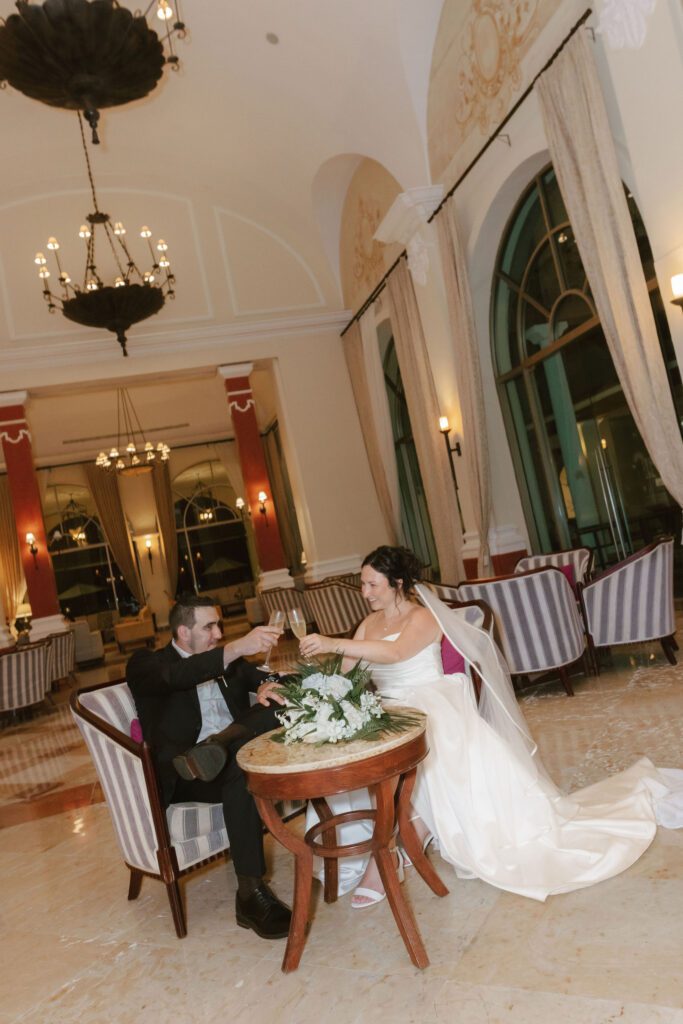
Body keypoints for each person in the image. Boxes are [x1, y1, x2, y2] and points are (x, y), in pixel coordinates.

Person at [299, 546, 683, 907]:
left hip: (429, 702)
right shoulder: (367, 624)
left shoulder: (422, 618)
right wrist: (318, 690)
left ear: (397, 584)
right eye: (363, 584)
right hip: (387, 707)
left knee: (423, 751)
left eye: (372, 584)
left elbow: (396, 653)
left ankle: (396, 849)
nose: (365, 592)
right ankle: (399, 841)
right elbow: (349, 671)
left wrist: (335, 642)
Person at [127, 594, 289, 939]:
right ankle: (251, 893)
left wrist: (267, 685)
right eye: (209, 627)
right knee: (243, 772)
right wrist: (234, 649)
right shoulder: (147, 664)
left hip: (230, 758)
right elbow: (176, 677)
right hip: (188, 773)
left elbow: (263, 674)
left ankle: (221, 743)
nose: (218, 633)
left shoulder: (226, 661)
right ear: (184, 632)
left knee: (278, 708)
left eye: (219, 625)